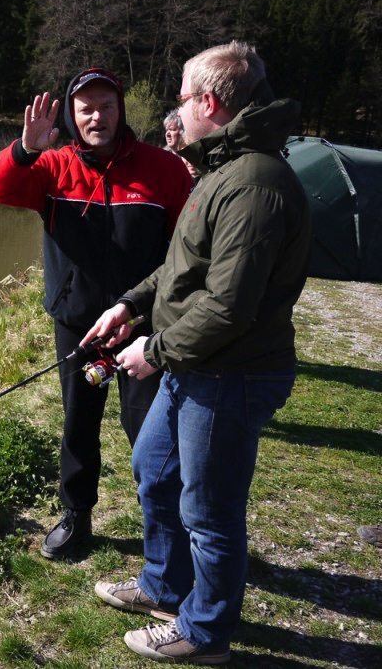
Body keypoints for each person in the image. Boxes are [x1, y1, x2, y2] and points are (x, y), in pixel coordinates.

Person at [85, 41, 311, 663]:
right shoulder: (222, 168)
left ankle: (205, 632)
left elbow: (229, 306)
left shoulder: (254, 184)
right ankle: (164, 585)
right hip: (196, 364)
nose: (176, 108)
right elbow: (183, 268)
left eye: (182, 97)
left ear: (209, 102)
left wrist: (154, 352)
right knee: (154, 471)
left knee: (209, 512)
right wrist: (129, 305)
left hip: (231, 374)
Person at [0, 68, 192, 559]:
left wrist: (151, 310)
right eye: (86, 109)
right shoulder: (53, 167)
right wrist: (25, 149)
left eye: (107, 106)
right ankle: (77, 516)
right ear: (73, 117)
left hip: (142, 326)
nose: (97, 117)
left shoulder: (163, 168)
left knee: (150, 430)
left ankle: (165, 527)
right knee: (79, 423)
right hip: (80, 326)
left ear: (121, 111)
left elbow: (187, 250)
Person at [164, 108, 200, 180]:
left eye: (172, 129)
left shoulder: (196, 151)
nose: (167, 134)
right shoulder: (164, 159)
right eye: (166, 130)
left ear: (183, 131)